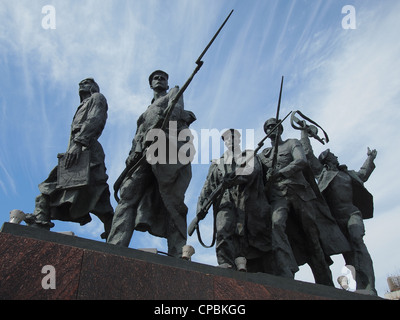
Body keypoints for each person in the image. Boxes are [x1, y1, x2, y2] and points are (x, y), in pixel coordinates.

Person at [107, 70, 196, 258]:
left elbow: (174, 113)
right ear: (151, 84)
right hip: (142, 155)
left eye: (163, 78)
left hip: (166, 151)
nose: (159, 80)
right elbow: (138, 135)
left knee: (172, 201)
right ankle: (115, 246)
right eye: (155, 78)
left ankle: (177, 251)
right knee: (128, 195)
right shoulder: (146, 111)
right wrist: (133, 154)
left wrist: (159, 134)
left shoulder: (174, 93)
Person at [258, 118, 349, 286]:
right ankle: (285, 272)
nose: (272, 129)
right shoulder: (264, 155)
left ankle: (324, 280)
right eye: (269, 127)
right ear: (266, 132)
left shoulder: (292, 143)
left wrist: (280, 173)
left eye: (274, 126)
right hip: (279, 196)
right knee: (276, 224)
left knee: (312, 236)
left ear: (280, 129)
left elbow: (301, 161)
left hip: (300, 193)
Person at [25, 78, 114, 239]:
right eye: (81, 83)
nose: (82, 85)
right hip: (78, 149)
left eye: (87, 82)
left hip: (86, 150)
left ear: (94, 87)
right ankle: (114, 230)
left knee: (53, 185)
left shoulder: (97, 98)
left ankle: (40, 219)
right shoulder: (83, 104)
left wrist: (79, 143)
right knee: (97, 193)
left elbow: (96, 119)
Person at [301, 128, 377, 295]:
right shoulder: (322, 173)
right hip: (334, 220)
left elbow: (363, 174)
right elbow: (307, 153)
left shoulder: (348, 175)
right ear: (327, 160)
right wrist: (304, 132)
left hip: (351, 214)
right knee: (348, 254)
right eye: (332, 155)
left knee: (357, 241)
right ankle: (359, 287)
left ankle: (369, 286)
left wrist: (370, 158)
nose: (335, 156)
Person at [196, 129, 271, 271]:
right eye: (227, 139)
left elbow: (252, 171)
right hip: (225, 200)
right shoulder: (217, 163)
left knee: (244, 233)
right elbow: (208, 186)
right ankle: (225, 263)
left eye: (233, 137)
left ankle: (243, 264)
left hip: (246, 200)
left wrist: (234, 178)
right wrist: (200, 206)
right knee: (223, 229)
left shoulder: (249, 155)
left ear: (238, 139)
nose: (230, 140)